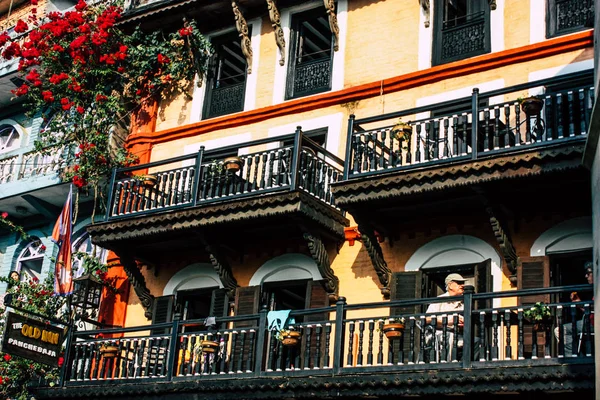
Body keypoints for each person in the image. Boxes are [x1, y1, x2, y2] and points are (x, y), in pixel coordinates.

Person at [426, 273, 478, 361]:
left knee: (476, 341)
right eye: (459, 283)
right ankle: (448, 365)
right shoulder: (439, 300)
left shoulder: (464, 302)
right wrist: (447, 321)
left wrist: (463, 323)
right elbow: (427, 319)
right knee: (450, 336)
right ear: (450, 285)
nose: (462, 285)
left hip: (458, 333)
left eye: (463, 283)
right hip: (439, 333)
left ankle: (467, 365)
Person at [555, 262, 594, 357]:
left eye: (588, 274)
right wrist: (578, 303)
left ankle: (573, 357)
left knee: (559, 330)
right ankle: (577, 356)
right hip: (590, 321)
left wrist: (580, 303)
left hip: (593, 323)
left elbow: (594, 307)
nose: (586, 276)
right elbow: (591, 310)